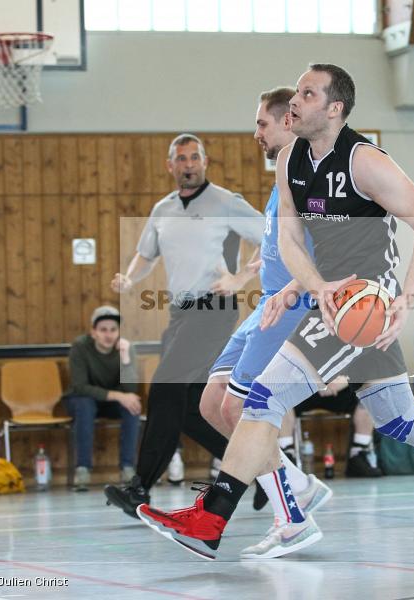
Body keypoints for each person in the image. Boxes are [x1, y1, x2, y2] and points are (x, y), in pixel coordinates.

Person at [137, 63, 414, 560]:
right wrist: (307, 287)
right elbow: (287, 238)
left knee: (262, 397)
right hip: (335, 299)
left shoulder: (364, 161)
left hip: (365, 303)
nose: (295, 102)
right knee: (399, 419)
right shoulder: (291, 160)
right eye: (296, 93)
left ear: (334, 108)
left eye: (307, 94)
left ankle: (213, 516)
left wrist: (403, 296)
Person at [105, 134, 264, 509]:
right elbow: (146, 256)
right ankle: (257, 473)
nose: (188, 164)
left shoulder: (225, 202)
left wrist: (240, 278)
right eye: (181, 158)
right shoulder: (163, 210)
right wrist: (130, 278)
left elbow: (270, 236)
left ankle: (139, 486)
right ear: (170, 165)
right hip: (179, 315)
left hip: (214, 309)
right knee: (191, 408)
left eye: (195, 157)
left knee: (164, 386)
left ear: (205, 162)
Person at [64, 306, 142, 491]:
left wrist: (125, 359)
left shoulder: (126, 348)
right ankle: (83, 469)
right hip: (81, 400)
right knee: (85, 405)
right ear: (93, 332)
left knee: (132, 405)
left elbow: (131, 389)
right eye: (103, 330)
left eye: (113, 330)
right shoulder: (80, 346)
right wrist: (118, 395)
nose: (109, 335)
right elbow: (80, 386)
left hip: (112, 402)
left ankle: (127, 468)